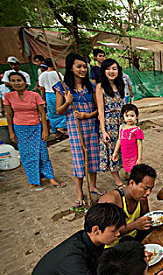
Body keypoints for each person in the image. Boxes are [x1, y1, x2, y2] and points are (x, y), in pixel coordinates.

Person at [55, 53, 102, 208]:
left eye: (84, 66)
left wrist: (87, 115)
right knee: (78, 161)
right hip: (75, 129)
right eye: (79, 66)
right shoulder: (63, 87)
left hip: (91, 127)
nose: (82, 69)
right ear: (70, 68)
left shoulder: (91, 87)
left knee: (93, 157)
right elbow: (58, 111)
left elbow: (98, 109)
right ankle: (79, 193)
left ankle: (93, 186)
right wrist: (68, 102)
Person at [4, 71, 63, 188]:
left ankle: (50, 177)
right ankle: (34, 179)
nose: (17, 83)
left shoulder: (35, 95)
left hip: (36, 127)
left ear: (25, 82)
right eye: (13, 81)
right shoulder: (8, 97)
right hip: (20, 129)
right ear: (10, 83)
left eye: (19, 80)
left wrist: (45, 130)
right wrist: (11, 132)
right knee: (26, 155)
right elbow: (9, 115)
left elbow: (42, 114)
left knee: (43, 153)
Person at [99, 164, 155, 246]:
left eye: (151, 189)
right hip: (112, 248)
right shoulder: (112, 200)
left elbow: (145, 219)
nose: (148, 193)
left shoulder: (142, 198)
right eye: (145, 188)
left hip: (132, 240)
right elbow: (104, 235)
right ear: (132, 183)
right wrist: (135, 225)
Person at [96, 58, 126, 188]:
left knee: (124, 147)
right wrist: (103, 130)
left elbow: (124, 103)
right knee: (112, 150)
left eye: (114, 69)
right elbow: (100, 111)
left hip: (121, 122)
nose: (111, 71)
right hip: (109, 123)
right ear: (104, 71)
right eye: (108, 69)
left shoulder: (120, 85)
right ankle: (116, 178)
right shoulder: (100, 87)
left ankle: (127, 170)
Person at [38, 58, 67, 140]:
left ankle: (57, 132)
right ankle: (60, 128)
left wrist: (43, 98)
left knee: (52, 115)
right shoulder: (57, 74)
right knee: (63, 112)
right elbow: (63, 85)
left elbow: (41, 88)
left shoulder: (42, 75)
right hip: (57, 94)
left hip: (48, 95)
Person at [112, 104, 144, 176]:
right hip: (124, 155)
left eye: (132, 116)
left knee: (133, 172)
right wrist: (115, 152)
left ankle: (133, 184)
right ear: (123, 116)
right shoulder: (122, 127)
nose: (129, 118)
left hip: (133, 156)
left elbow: (139, 145)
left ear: (136, 116)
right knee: (127, 169)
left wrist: (139, 158)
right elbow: (119, 140)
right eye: (127, 116)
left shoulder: (137, 130)